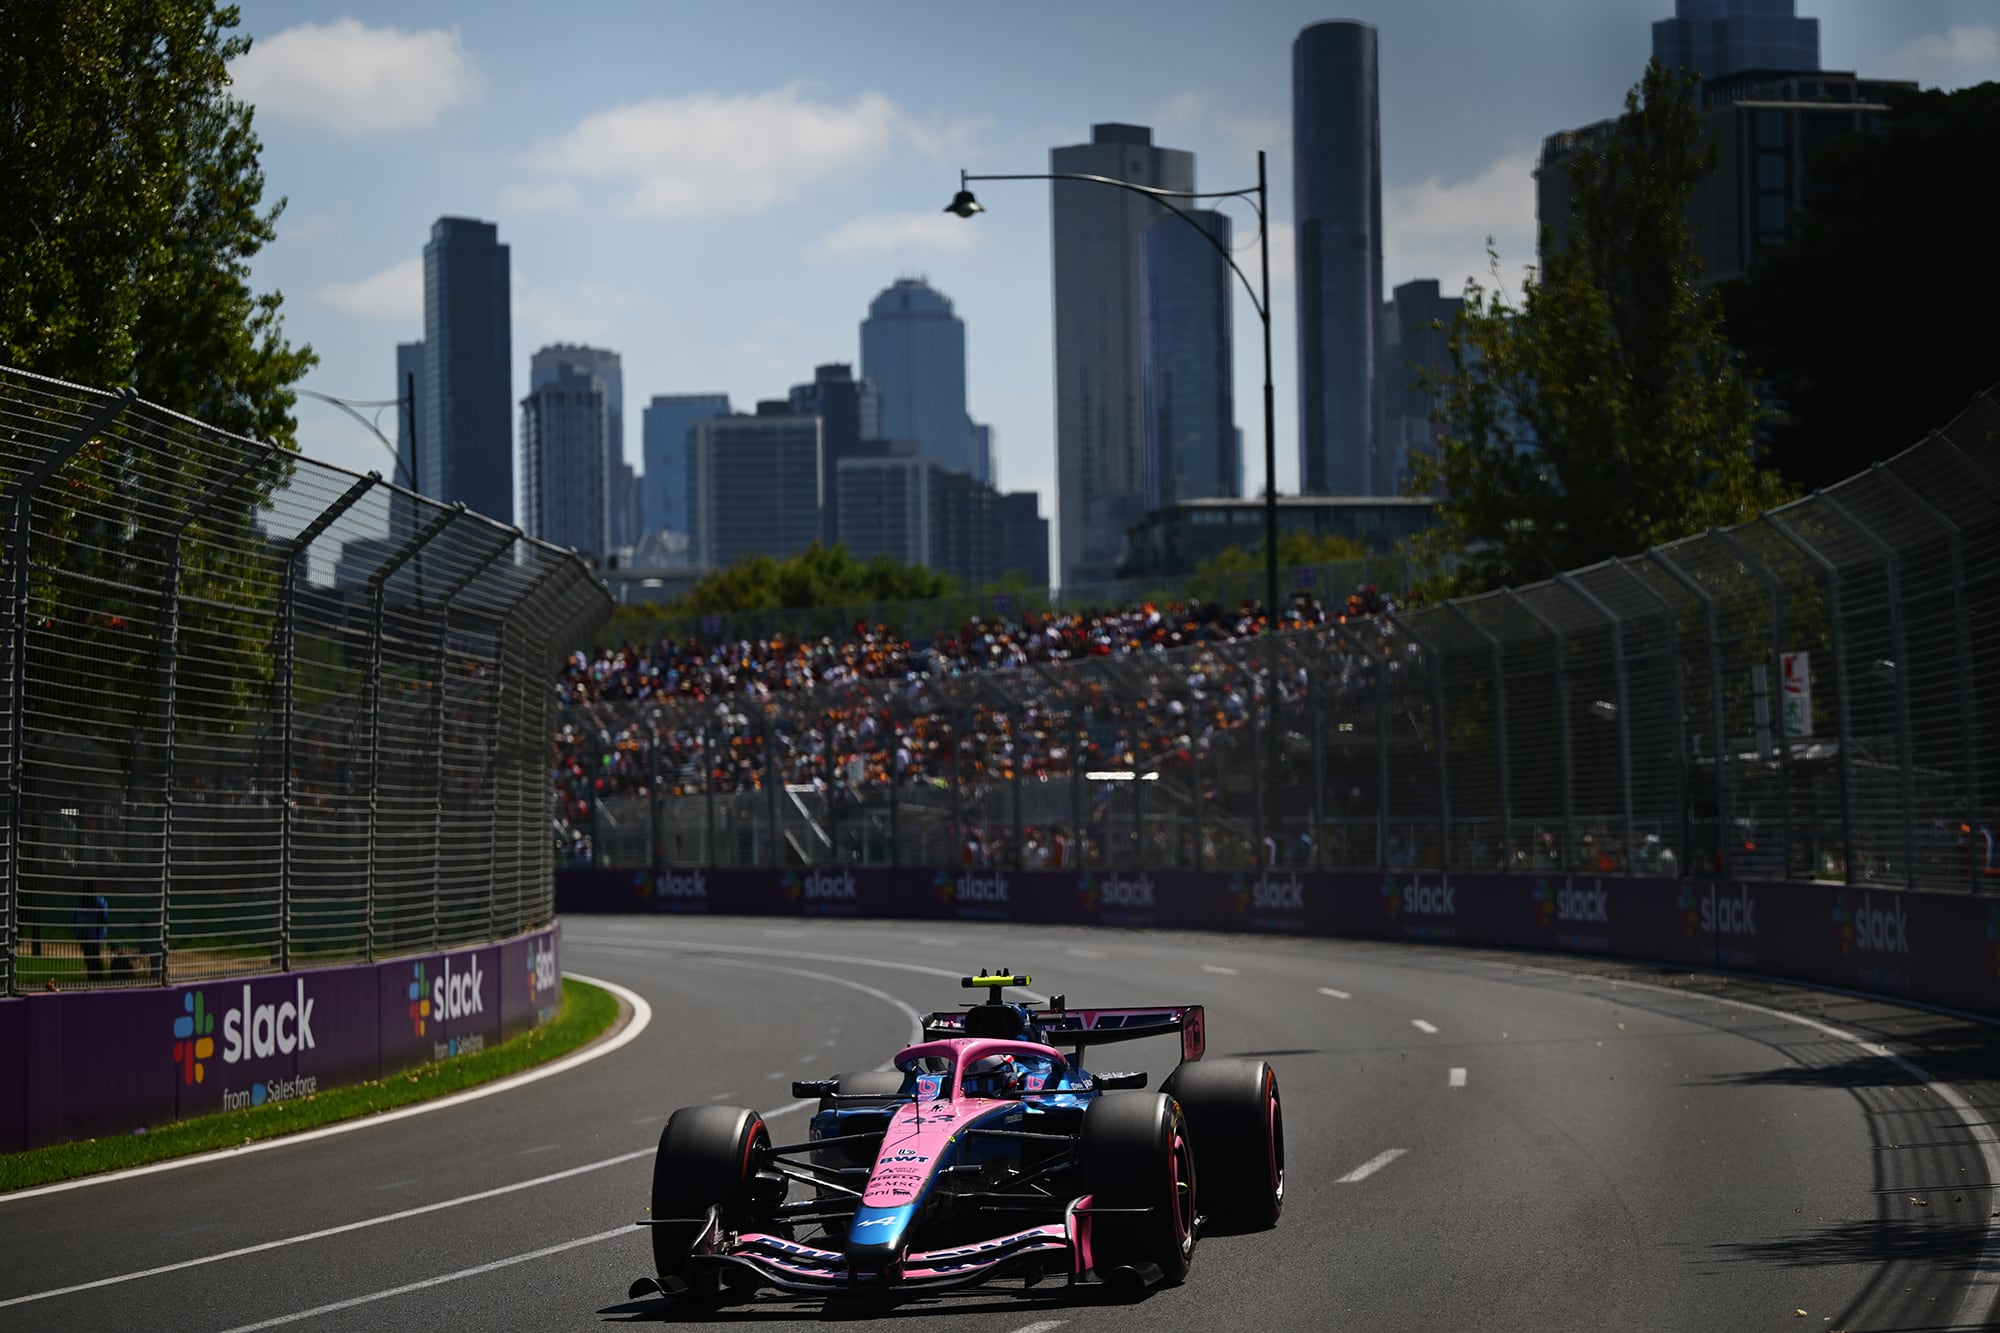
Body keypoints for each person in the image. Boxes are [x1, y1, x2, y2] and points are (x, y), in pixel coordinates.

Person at [73, 886, 110, 983]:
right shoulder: (83, 903)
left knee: (93, 956)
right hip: (86, 934)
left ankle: (97, 977)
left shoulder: (98, 902)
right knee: (89, 957)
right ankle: (93, 977)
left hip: (93, 935)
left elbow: (103, 918)